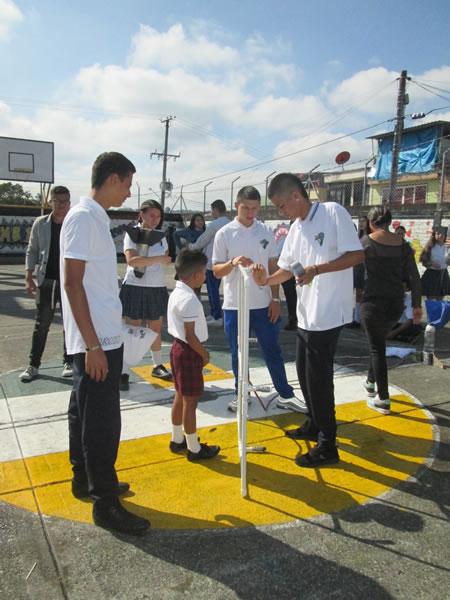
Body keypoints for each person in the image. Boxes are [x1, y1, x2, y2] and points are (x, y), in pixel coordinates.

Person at [60, 151, 149, 534]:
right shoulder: (83, 218)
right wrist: (93, 346)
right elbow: (72, 282)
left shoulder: (93, 217)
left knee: (83, 411)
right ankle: (105, 503)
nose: (129, 193)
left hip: (100, 335)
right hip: (96, 341)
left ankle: (87, 479)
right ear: (113, 178)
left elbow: (90, 284)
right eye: (128, 184)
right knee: (102, 422)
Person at [252, 173, 364, 468]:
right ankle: (315, 422)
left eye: (280, 206)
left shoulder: (332, 213)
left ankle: (328, 444)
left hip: (328, 312)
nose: (280, 212)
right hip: (306, 313)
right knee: (302, 371)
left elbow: (356, 255)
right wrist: (266, 279)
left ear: (296, 196)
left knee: (318, 379)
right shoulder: (296, 229)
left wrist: (317, 269)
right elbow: (287, 270)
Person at [212, 185, 307, 414]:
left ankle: (285, 394)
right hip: (235, 306)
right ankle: (241, 394)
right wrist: (232, 262)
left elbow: (274, 266)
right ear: (237, 206)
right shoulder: (224, 233)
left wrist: (275, 299)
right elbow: (216, 271)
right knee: (238, 353)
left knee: (272, 350)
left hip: (263, 304)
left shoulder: (265, 231)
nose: (251, 213)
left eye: (255, 209)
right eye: (246, 208)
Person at [359, 206, 422, 415]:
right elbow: (414, 276)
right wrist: (416, 305)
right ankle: (370, 382)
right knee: (377, 341)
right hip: (396, 303)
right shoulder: (403, 245)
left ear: (371, 223)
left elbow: (351, 266)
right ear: (390, 222)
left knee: (377, 347)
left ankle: (383, 398)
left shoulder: (366, 242)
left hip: (373, 301)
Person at [168, 248, 220, 460]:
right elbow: (191, 335)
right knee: (191, 402)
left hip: (177, 348)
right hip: (189, 351)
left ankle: (177, 438)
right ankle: (194, 448)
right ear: (197, 274)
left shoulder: (177, 292)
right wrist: (204, 354)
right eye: (204, 272)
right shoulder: (189, 299)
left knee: (180, 395)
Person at [20, 186, 73, 381]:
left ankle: (69, 361)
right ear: (50, 202)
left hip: (70, 282)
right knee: (42, 324)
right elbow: (32, 250)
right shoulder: (41, 224)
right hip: (47, 281)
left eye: (65, 201)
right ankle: (33, 365)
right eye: (57, 201)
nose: (61, 205)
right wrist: (28, 276)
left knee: (70, 323)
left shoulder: (73, 223)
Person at [119, 199, 172, 391]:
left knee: (155, 329)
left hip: (156, 287)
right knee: (132, 329)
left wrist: (157, 259)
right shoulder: (132, 234)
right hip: (135, 285)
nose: (155, 220)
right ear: (142, 214)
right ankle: (123, 371)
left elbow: (166, 256)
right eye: (152, 216)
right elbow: (132, 260)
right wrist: (158, 259)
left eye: (158, 216)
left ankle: (157, 365)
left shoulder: (161, 235)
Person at [190, 199, 230, 327]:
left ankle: (216, 315)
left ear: (216, 210)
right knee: (219, 290)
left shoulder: (214, 225)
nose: (212, 213)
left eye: (212, 211)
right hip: (225, 262)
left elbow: (203, 241)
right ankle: (215, 314)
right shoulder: (230, 224)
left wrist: (190, 246)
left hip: (212, 262)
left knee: (212, 291)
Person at [347, 216, 370, 329]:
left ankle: (358, 318)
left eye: (363, 221)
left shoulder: (368, 237)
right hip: (355, 266)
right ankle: (354, 317)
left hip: (364, 265)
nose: (361, 223)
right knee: (355, 291)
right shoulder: (357, 237)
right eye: (360, 221)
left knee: (361, 291)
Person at [420, 226, 449, 300]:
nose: (440, 236)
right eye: (438, 234)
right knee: (431, 297)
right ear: (434, 235)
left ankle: (439, 311)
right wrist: (432, 264)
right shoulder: (430, 247)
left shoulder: (447, 247)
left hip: (443, 273)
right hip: (432, 274)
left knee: (440, 297)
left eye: (442, 234)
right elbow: (424, 261)